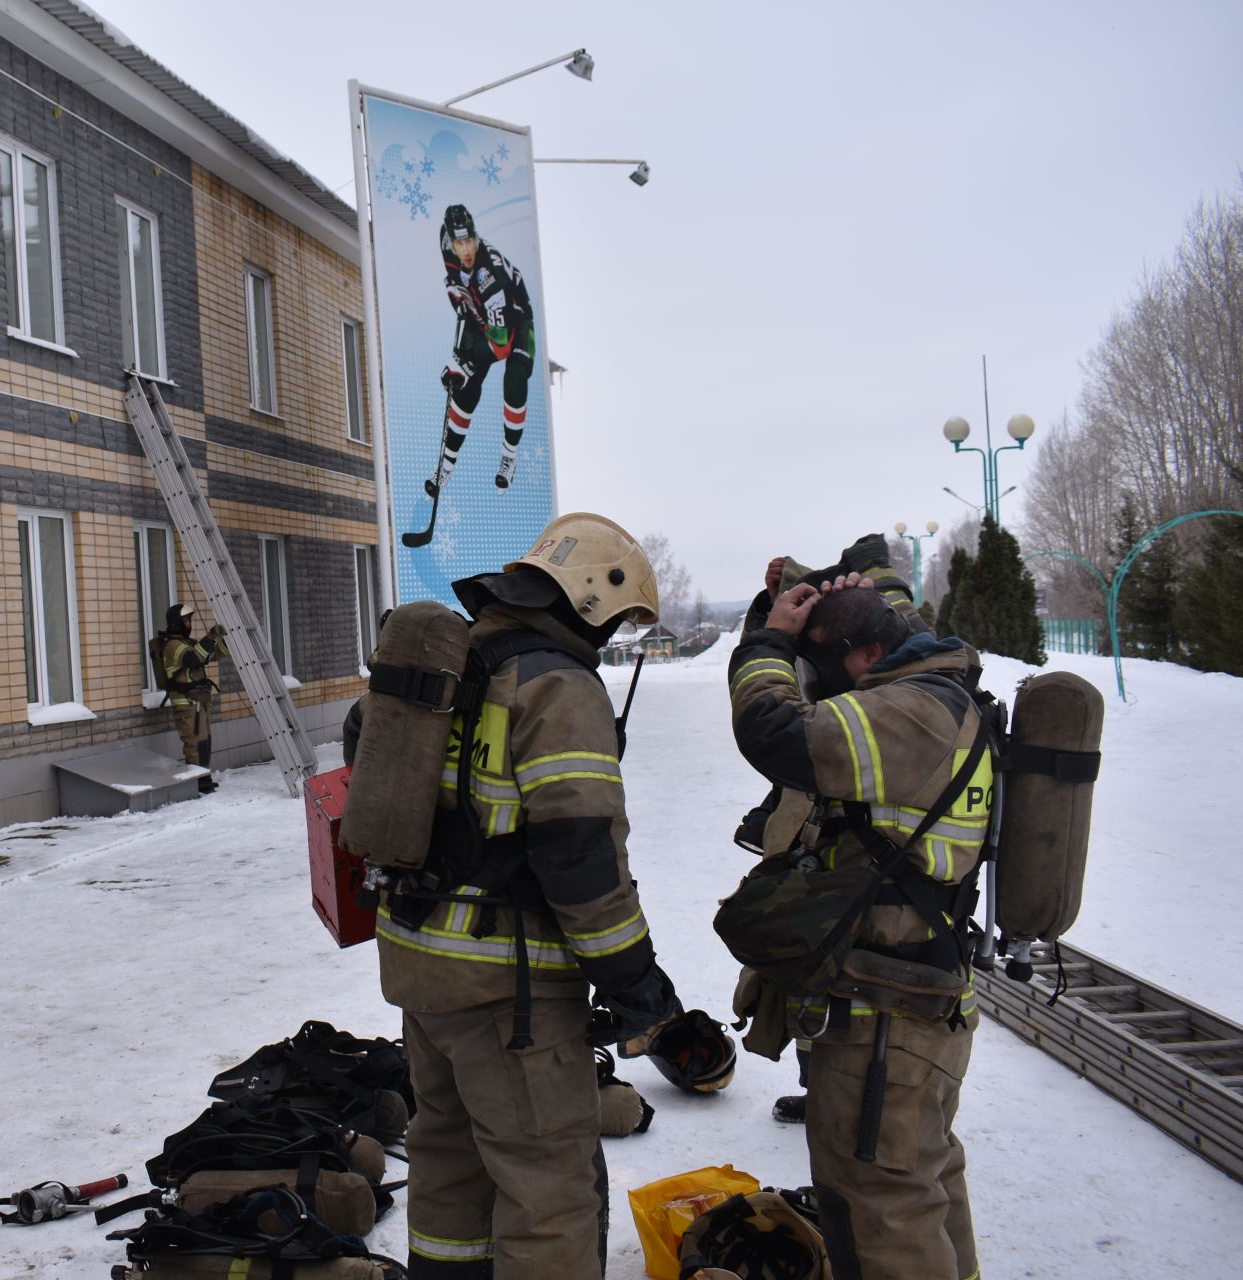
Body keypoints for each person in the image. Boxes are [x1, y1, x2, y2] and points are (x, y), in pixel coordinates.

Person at [364, 512, 682, 1278]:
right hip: (510, 995)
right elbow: (581, 861)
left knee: (449, 1164)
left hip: (421, 970)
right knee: (548, 1190)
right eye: (614, 621)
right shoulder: (557, 688)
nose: (608, 640)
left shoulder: (451, 667)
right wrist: (636, 982)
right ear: (590, 595)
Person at [727, 571, 995, 1280]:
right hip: (912, 1003)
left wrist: (768, 645)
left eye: (825, 666)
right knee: (921, 1186)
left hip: (888, 1019)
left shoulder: (909, 714)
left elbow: (774, 732)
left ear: (871, 655)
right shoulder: (936, 698)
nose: (819, 682)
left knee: (882, 1206)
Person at [425, 204, 537, 499]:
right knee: (463, 388)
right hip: (480, 309)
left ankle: (508, 457)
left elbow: (500, 346)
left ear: (476, 237)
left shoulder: (491, 275)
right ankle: (446, 464)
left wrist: (465, 363)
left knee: (513, 379)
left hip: (513, 318)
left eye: (469, 242)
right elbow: (453, 280)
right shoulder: (445, 240)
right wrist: (458, 297)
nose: (466, 250)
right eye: (459, 243)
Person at [158, 604, 225, 793]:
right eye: (185, 621)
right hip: (186, 704)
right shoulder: (172, 645)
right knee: (194, 743)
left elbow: (210, 655)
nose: (189, 624)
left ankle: (203, 778)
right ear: (177, 623)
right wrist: (210, 637)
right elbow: (193, 659)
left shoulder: (186, 642)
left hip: (198, 702)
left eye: (190, 621)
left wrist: (225, 641)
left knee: (204, 741)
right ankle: (196, 782)